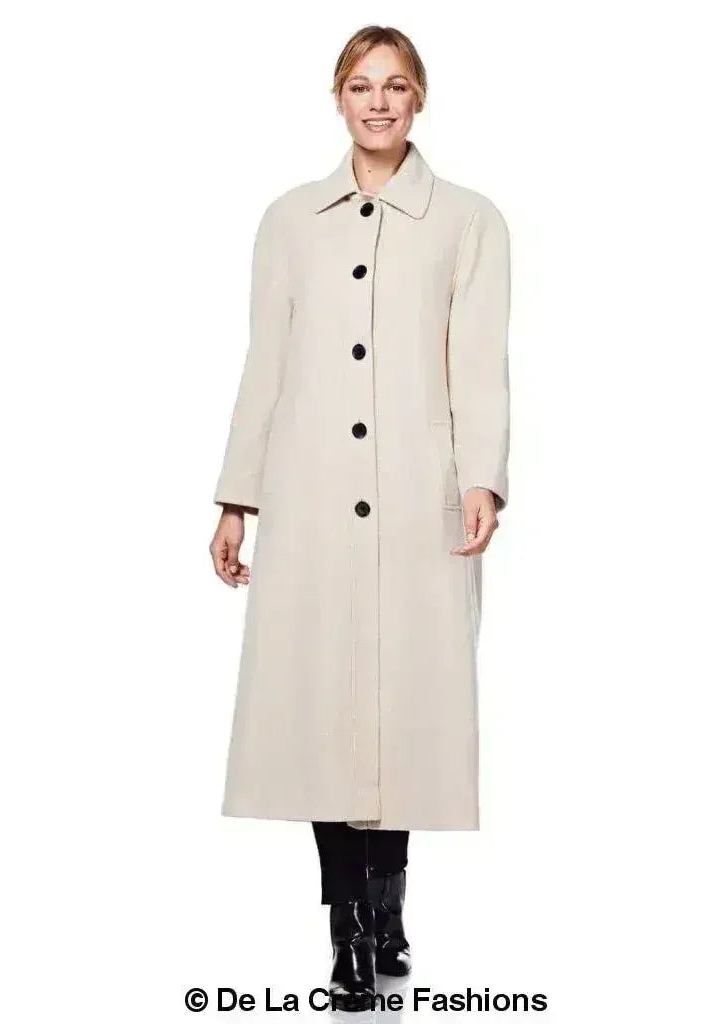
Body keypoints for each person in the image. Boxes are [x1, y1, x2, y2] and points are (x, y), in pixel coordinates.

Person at [209, 24, 511, 1013]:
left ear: (419, 98)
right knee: (321, 716)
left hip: (421, 497)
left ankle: (389, 908)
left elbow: (479, 361)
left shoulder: (468, 220)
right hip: (307, 499)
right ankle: (346, 932)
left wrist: (482, 478)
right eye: (359, 85)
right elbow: (265, 360)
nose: (377, 102)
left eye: (395, 86)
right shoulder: (289, 221)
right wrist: (237, 496)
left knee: (403, 710)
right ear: (337, 97)